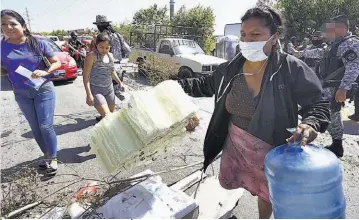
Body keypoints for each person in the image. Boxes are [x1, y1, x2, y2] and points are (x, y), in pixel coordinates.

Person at [177, 7, 330, 219]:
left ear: (274, 37)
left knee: (268, 193)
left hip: (272, 148)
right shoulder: (231, 68)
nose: (247, 40)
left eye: (256, 34)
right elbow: (205, 84)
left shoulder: (290, 68)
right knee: (244, 181)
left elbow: (318, 102)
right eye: (243, 34)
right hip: (236, 143)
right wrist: (173, 86)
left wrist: (311, 124)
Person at [1, 9, 61, 175]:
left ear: (23, 26)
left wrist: (45, 71)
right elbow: (3, 69)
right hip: (21, 92)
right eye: (3, 24)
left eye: (13, 23)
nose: (8, 27)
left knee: (45, 126)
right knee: (35, 127)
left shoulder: (37, 42)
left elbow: (56, 63)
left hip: (43, 89)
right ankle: (47, 155)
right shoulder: (2, 46)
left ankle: (54, 159)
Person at [293, 15, 359, 157]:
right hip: (327, 87)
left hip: (335, 88)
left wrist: (343, 88)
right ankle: (337, 145)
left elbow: (353, 67)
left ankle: (307, 139)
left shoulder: (351, 43)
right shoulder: (335, 43)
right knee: (332, 115)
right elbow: (320, 52)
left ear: (341, 28)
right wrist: (300, 53)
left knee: (322, 113)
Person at [83, 32, 123, 121]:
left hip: (109, 89)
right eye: (101, 47)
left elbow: (111, 71)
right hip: (97, 90)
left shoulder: (110, 56)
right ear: (96, 45)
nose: (104, 50)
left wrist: (120, 82)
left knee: (111, 115)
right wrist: (88, 94)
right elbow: (86, 76)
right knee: (108, 117)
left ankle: (102, 118)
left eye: (107, 48)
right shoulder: (91, 56)